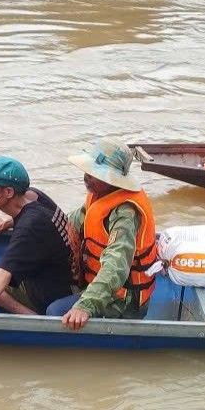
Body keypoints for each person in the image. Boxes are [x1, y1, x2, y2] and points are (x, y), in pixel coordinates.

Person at [47, 138, 158, 331]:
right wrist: (20, 221)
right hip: (100, 283)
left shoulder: (125, 214)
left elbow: (116, 265)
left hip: (123, 299)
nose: (86, 177)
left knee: (55, 312)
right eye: (87, 171)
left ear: (112, 179)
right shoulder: (99, 195)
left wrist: (85, 305)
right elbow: (71, 221)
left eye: (94, 174)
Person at [0, 156, 74, 322]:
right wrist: (7, 221)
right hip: (59, 275)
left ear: (9, 192)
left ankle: (33, 319)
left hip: (52, 292)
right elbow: (30, 216)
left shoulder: (30, 226)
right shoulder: (34, 195)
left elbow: (5, 271)